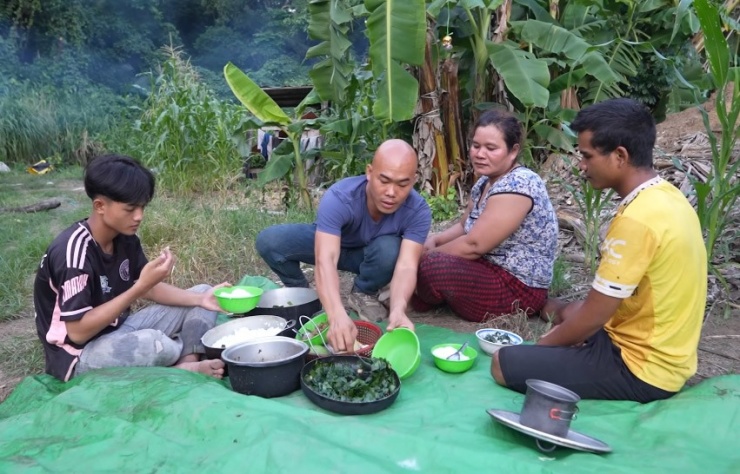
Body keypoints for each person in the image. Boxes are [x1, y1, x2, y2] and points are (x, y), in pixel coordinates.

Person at [491, 98, 708, 403]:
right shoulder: (667, 197)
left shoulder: (637, 219)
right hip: (660, 351)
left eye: (587, 156)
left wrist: (541, 348)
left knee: (503, 363)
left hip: (641, 369)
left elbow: (595, 315)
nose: (581, 166)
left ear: (620, 156)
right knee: (570, 311)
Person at [34, 154, 227, 382]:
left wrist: (201, 300)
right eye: (130, 209)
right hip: (80, 355)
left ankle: (188, 361)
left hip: (118, 329)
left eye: (143, 207)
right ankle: (176, 364)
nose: (139, 216)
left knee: (203, 292)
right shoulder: (73, 252)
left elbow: (149, 289)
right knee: (154, 344)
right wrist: (139, 288)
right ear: (100, 206)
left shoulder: (125, 238)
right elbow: (77, 332)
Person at [256, 139, 432, 352]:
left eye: (402, 184)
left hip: (369, 256)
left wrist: (398, 309)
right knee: (269, 241)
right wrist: (336, 314)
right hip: (329, 244)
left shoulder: (418, 211)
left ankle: (362, 292)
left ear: (414, 181)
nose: (391, 192)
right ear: (369, 172)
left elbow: (406, 266)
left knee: (391, 249)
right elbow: (325, 259)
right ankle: (304, 295)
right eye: (384, 181)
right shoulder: (340, 197)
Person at [413, 109, 558, 322]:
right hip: (488, 268)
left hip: (516, 287)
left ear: (513, 151)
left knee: (433, 267)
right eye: (476, 146)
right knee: (415, 247)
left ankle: (416, 296)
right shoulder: (485, 182)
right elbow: (465, 226)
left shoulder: (519, 184)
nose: (480, 154)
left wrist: (423, 258)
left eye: (491, 148)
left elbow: (473, 245)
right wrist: (433, 241)